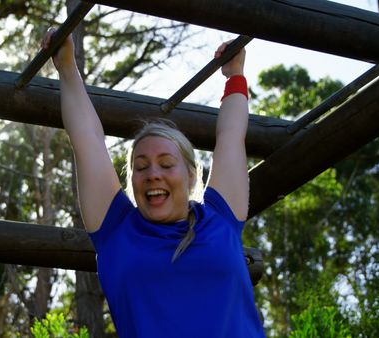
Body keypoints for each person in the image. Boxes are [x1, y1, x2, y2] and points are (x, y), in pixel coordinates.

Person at [42, 28, 265, 337]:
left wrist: (235, 76)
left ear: (190, 174)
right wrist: (66, 66)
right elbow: (87, 139)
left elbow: (230, 136)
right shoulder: (116, 229)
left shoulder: (221, 217)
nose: (153, 174)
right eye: (140, 166)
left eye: (166, 164)